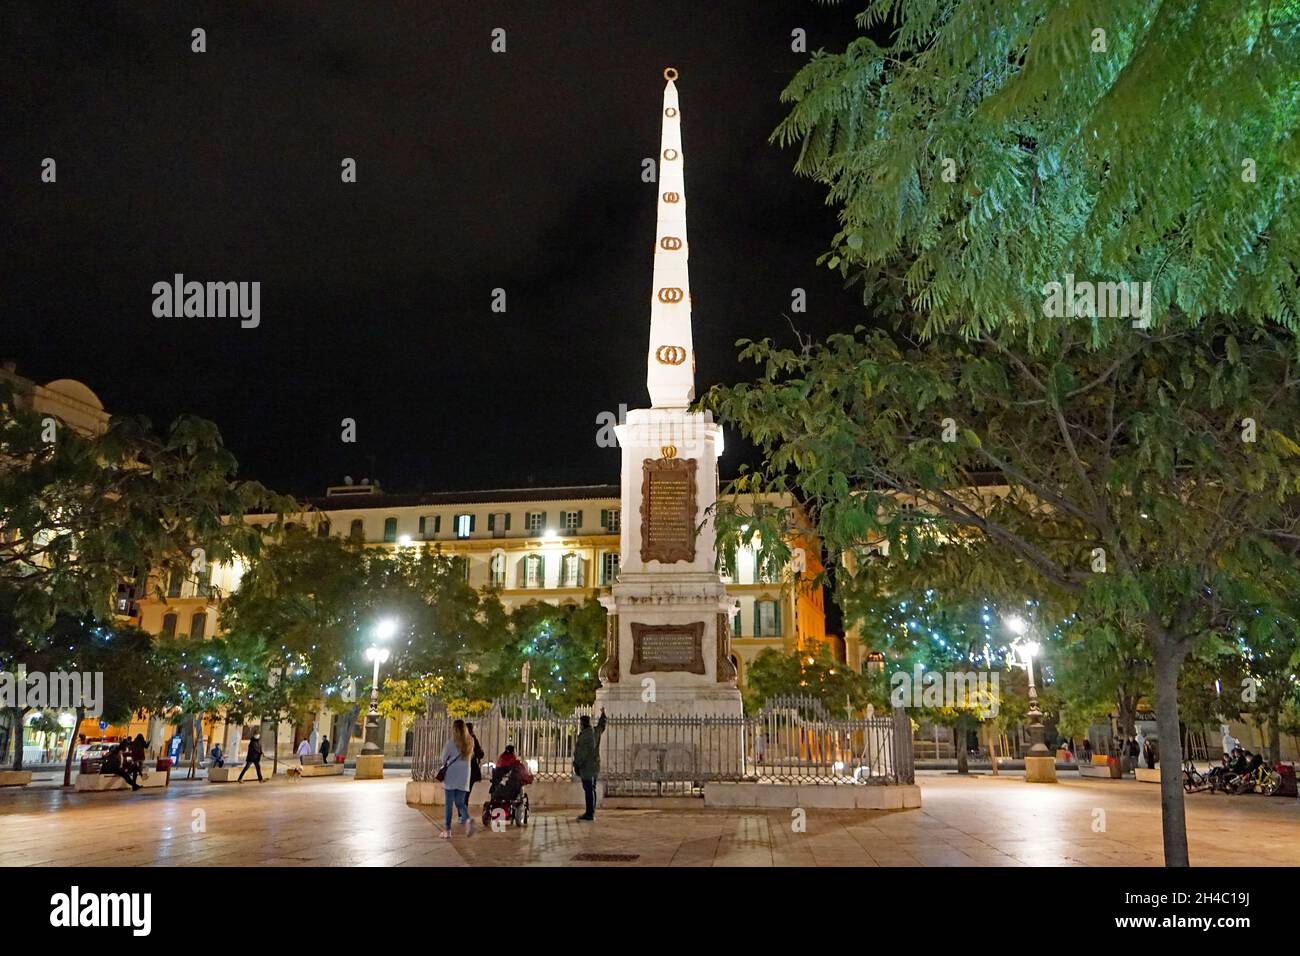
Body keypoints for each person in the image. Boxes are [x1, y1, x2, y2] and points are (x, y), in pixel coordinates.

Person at [439, 719, 475, 838]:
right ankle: (467, 820)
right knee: (460, 802)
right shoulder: (470, 742)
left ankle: (448, 830)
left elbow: (443, 759)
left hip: (451, 775)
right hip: (464, 775)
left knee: (449, 804)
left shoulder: (451, 743)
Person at [572, 708, 607, 822]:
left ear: (582, 724)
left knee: (588, 790)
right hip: (595, 766)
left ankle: (589, 813)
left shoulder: (585, 737)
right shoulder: (595, 731)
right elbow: (602, 726)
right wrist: (603, 715)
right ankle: (591, 811)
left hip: (587, 768)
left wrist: (576, 764)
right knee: (592, 789)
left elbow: (581, 754)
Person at [465, 722, 485, 801]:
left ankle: (462, 811)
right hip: (471, 769)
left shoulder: (460, 740)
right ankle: (463, 811)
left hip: (461, 770)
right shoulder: (473, 739)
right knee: (467, 793)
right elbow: (480, 754)